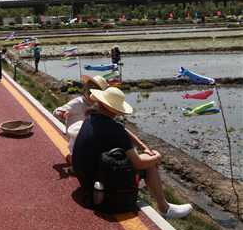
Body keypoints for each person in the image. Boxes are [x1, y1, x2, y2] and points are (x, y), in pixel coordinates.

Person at [72, 87, 193, 219]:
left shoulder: (91, 117)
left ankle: (143, 184)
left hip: (84, 179)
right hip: (100, 188)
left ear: (100, 104)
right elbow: (138, 163)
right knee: (149, 163)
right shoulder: (116, 131)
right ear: (118, 111)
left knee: (143, 158)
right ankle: (164, 208)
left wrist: (143, 146)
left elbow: (122, 130)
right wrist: (157, 158)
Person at [53, 75, 107, 165]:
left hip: (89, 137)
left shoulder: (98, 105)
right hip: (76, 139)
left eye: (96, 94)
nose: (93, 96)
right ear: (84, 91)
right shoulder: (78, 103)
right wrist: (61, 114)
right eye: (90, 93)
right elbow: (56, 112)